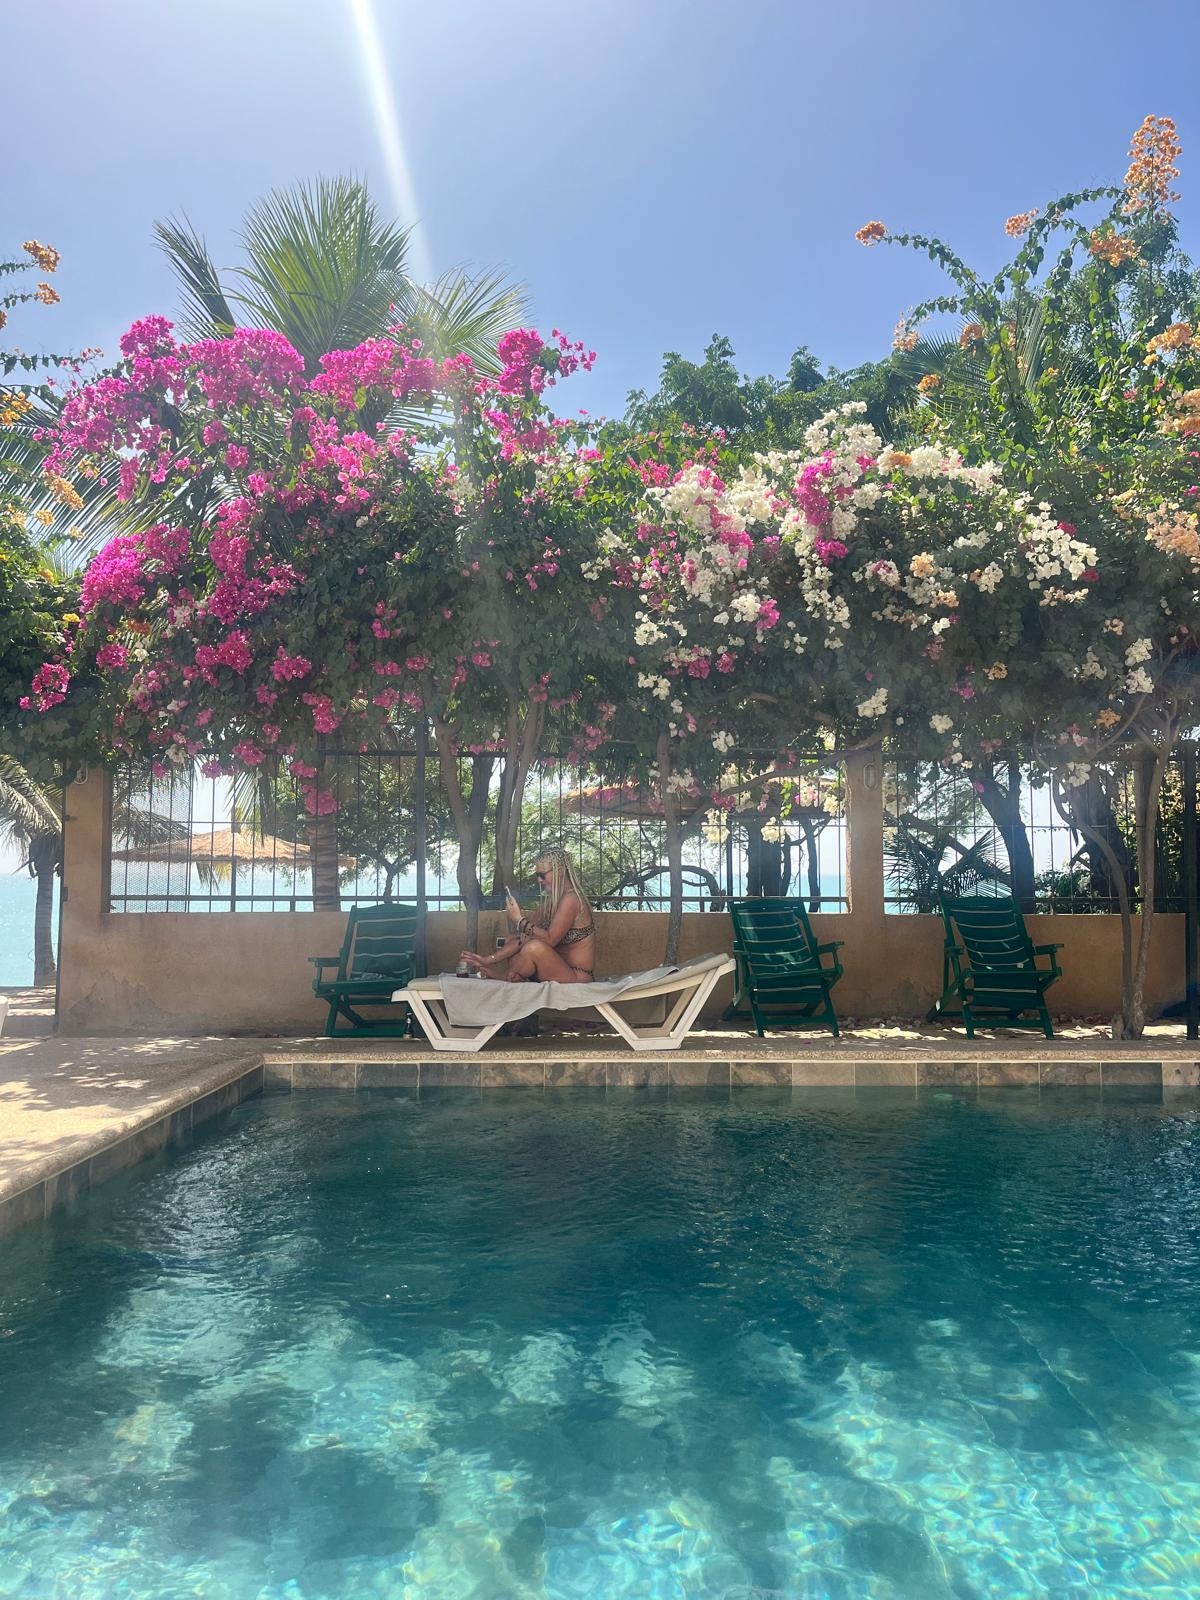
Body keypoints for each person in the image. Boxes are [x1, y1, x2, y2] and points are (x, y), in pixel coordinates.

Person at [459, 846, 595, 983]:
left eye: (542, 875)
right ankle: (513, 976)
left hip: (576, 976)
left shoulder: (572, 899)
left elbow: (550, 939)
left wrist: (519, 919)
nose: (539, 881)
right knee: (513, 940)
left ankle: (506, 976)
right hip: (552, 969)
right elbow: (523, 938)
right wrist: (487, 959)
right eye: (537, 876)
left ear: (559, 871)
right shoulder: (549, 903)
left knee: (534, 947)